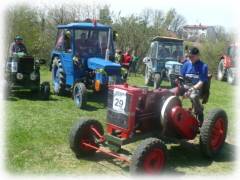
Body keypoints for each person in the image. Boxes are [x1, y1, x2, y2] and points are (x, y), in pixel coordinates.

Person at [181, 47, 208, 123]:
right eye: (189, 56)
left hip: (197, 88)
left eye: (192, 56)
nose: (190, 58)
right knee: (172, 92)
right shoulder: (186, 64)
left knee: (193, 96)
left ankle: (199, 113)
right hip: (186, 86)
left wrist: (191, 89)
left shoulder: (203, 66)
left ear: (198, 56)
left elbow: (201, 82)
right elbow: (181, 77)